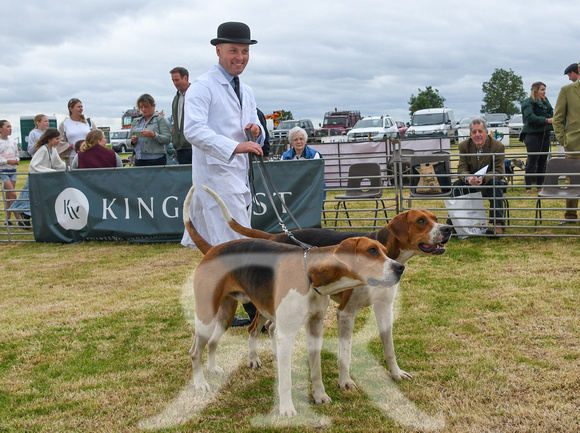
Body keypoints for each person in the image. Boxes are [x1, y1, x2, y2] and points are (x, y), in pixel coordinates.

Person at [181, 22, 264, 327]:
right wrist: (234, 146)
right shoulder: (202, 87)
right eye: (233, 50)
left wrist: (257, 131)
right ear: (218, 50)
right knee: (229, 249)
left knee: (236, 246)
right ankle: (255, 313)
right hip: (216, 177)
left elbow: (253, 124)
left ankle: (235, 311)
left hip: (238, 178)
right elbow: (193, 130)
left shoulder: (247, 89)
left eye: (244, 51)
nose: (239, 57)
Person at [452, 117, 506, 235]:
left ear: (486, 133)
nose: (477, 135)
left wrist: (483, 178)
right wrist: (468, 178)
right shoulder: (464, 146)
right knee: (457, 185)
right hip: (470, 183)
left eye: (480, 131)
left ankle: (498, 226)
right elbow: (462, 168)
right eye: (474, 132)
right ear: (470, 134)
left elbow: (499, 171)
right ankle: (455, 224)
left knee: (496, 185)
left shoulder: (498, 147)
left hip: (489, 183)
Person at [553, 62, 580, 224]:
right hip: (574, 146)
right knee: (572, 182)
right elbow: (557, 119)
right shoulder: (567, 90)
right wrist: (564, 140)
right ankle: (570, 216)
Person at [521, 81, 553, 193]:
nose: (544, 92)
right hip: (532, 135)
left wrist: (545, 119)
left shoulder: (546, 102)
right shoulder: (528, 102)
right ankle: (528, 187)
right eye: (542, 90)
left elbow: (552, 114)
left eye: (545, 90)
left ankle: (540, 185)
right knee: (532, 161)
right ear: (536, 90)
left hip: (545, 134)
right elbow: (530, 117)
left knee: (543, 161)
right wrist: (545, 120)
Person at [129, 94, 171, 166]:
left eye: (146, 107)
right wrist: (132, 141)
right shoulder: (136, 121)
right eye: (141, 107)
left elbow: (167, 139)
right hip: (139, 159)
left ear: (153, 106)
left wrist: (153, 135)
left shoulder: (160, 119)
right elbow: (128, 140)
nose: (143, 109)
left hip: (156, 160)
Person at [170, 67, 192, 164]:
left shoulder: (196, 95)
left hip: (193, 146)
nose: (175, 83)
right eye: (173, 80)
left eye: (177, 80)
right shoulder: (176, 99)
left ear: (185, 78)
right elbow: (175, 122)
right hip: (180, 147)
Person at [0, 120, 21, 225]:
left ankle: (7, 220)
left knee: (9, 196)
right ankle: (19, 219)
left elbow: (17, 154)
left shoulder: (13, 142)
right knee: (13, 194)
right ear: (1, 129)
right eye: (8, 126)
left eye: (11, 126)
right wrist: (7, 161)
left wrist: (16, 160)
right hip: (2, 171)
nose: (10, 128)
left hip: (13, 170)